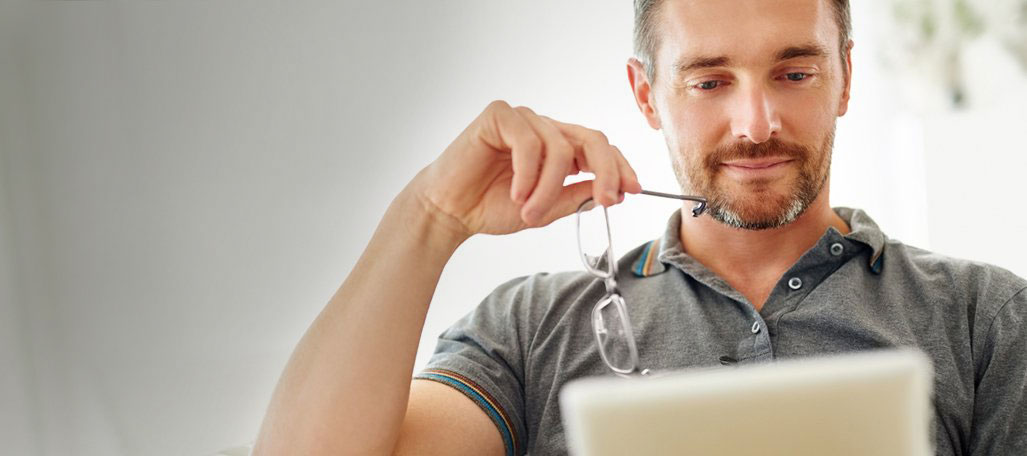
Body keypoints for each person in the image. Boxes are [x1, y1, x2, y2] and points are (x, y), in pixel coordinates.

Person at [252, 0, 1027, 454]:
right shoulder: (530, 331)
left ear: (845, 77)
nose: (754, 123)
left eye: (793, 74)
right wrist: (428, 218)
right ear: (647, 93)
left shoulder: (983, 319)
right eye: (708, 80)